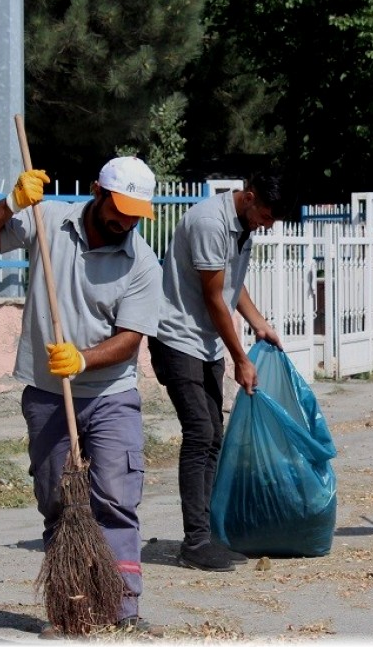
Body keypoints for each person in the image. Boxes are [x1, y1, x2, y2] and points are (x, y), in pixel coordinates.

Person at [0, 156, 164, 635]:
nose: (126, 221)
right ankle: (71, 613)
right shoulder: (46, 218)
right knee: (60, 502)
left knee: (116, 498)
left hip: (112, 393)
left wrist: (82, 359)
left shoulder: (142, 262)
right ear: (97, 191)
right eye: (120, 209)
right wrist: (12, 202)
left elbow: (131, 338)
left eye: (137, 213)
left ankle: (123, 613)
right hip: (49, 394)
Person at [149, 172, 292, 572]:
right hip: (177, 338)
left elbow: (231, 284)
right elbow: (214, 298)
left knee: (214, 434)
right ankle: (194, 543)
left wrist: (259, 322)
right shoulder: (211, 223)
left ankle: (205, 536)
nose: (266, 225)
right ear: (248, 197)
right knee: (200, 432)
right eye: (264, 216)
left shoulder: (242, 225)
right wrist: (241, 359)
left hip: (205, 341)